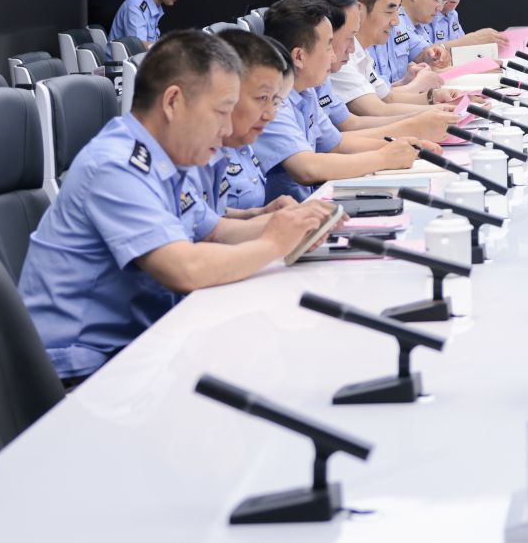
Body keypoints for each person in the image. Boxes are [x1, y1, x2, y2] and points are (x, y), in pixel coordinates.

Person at [18, 30, 336, 382]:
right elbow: (184, 268)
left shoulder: (168, 157)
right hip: (85, 371)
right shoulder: (117, 165)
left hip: (145, 351)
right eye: (221, 112)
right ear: (173, 102)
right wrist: (272, 243)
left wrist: (296, 222)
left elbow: (213, 231)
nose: (227, 128)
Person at [252, 0, 429, 202]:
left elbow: (336, 143)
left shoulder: (306, 92)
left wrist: (405, 146)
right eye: (328, 46)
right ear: (299, 57)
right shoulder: (273, 103)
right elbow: (307, 168)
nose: (334, 56)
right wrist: (384, 157)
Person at [331, 0, 464, 118]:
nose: (396, 22)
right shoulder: (341, 55)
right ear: (359, 10)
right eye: (389, 11)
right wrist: (441, 110)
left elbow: (388, 98)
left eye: (397, 11)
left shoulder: (361, 53)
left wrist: (434, 97)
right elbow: (377, 110)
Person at [206, 30, 302, 216]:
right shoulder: (190, 151)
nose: (270, 115)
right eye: (262, 98)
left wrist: (258, 215)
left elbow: (206, 219)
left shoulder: (237, 138)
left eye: (276, 102)